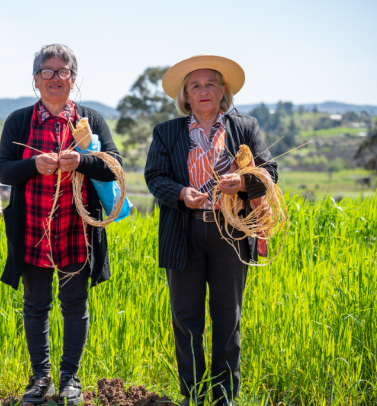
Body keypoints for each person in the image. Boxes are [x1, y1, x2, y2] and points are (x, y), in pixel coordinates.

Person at [144, 55, 278, 406]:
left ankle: (223, 398)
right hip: (184, 232)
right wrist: (180, 193)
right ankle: (194, 395)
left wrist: (244, 183)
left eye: (210, 84)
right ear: (185, 96)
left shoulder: (244, 127)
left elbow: (270, 173)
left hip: (230, 236)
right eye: (195, 85)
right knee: (186, 319)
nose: (203, 91)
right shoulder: (167, 132)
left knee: (227, 319)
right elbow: (155, 177)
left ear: (223, 91)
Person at [0, 44, 121, 406]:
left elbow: (113, 163)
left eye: (62, 71)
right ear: (36, 80)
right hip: (32, 227)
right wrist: (34, 165)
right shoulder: (19, 120)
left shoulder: (90, 119)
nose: (55, 78)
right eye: (47, 72)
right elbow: (4, 169)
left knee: (74, 304)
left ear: (73, 79)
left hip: (76, 228)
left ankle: (70, 379)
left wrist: (81, 161)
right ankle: (40, 378)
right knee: (35, 304)